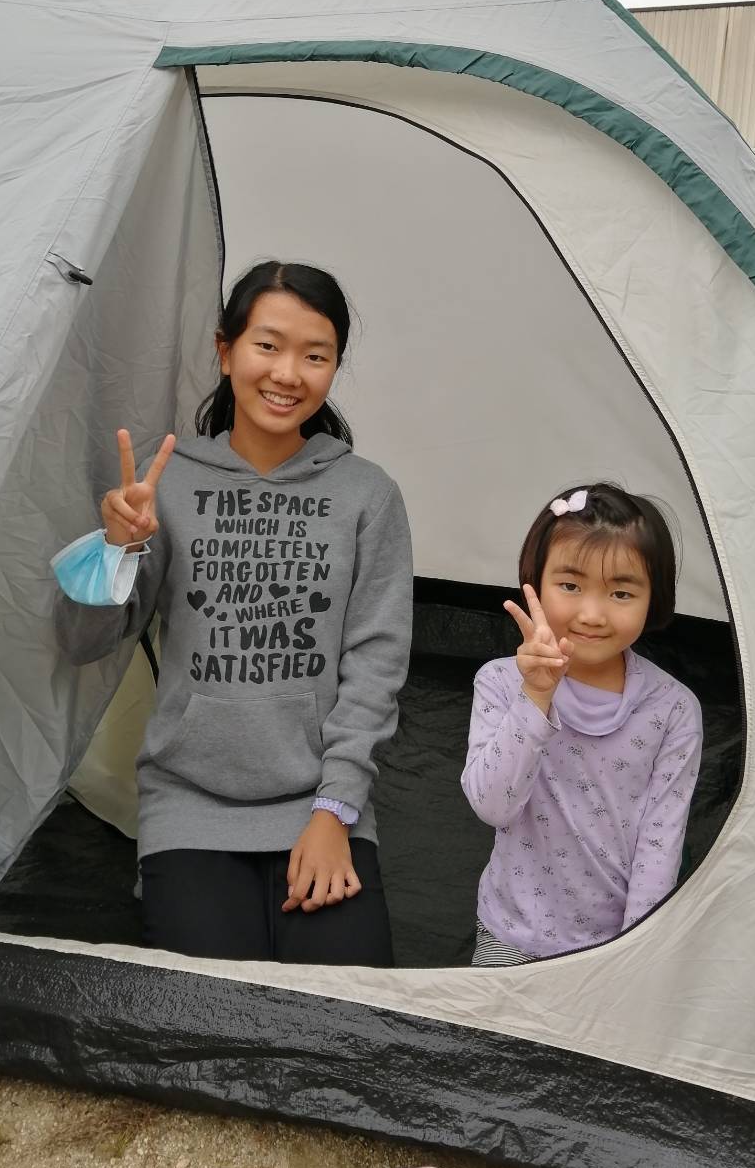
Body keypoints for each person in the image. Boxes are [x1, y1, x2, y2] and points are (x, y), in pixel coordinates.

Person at [53, 261, 412, 965]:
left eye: (315, 356)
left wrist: (335, 810)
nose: (288, 373)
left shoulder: (368, 494)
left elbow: (376, 665)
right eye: (267, 346)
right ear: (225, 350)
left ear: (335, 366)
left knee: (346, 1008)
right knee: (207, 1007)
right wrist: (117, 549)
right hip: (189, 804)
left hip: (319, 803)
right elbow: (82, 640)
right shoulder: (168, 484)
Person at [461, 483, 702, 964]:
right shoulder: (500, 682)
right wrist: (536, 695)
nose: (592, 615)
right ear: (535, 582)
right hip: (511, 932)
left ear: (653, 598)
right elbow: (492, 806)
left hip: (610, 949)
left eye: (621, 592)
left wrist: (628, 955)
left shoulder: (673, 710)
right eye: (570, 586)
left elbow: (660, 848)